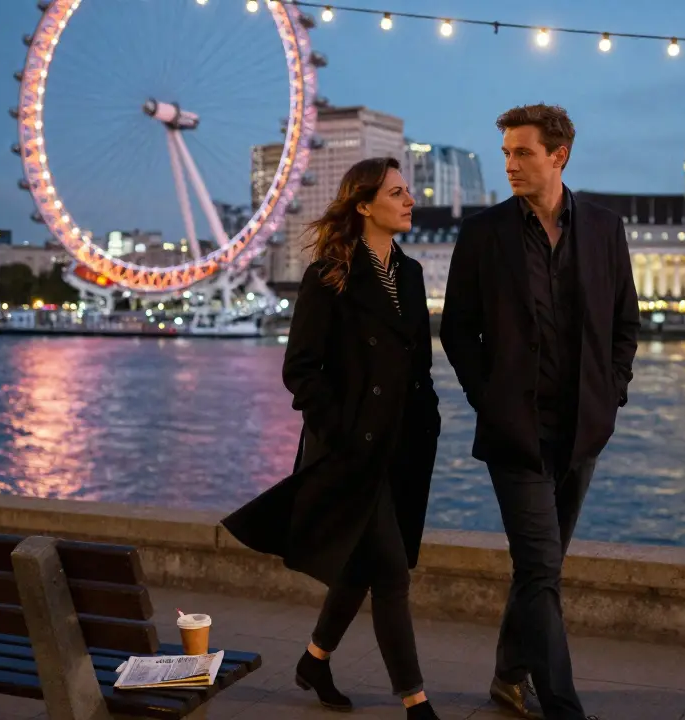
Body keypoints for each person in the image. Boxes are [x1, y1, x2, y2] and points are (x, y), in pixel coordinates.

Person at [223, 157, 443, 720]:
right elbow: (300, 368)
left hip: (400, 444)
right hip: (350, 448)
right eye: (397, 193)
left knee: (360, 565)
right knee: (390, 570)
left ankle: (314, 660)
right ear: (364, 205)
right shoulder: (329, 275)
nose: (410, 200)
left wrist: (428, 417)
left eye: (408, 191)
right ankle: (416, 702)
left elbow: (417, 364)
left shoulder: (412, 273)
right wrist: (339, 431)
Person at [440, 104, 640, 720]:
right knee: (542, 569)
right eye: (505, 153)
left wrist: (611, 394)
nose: (509, 165)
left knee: (538, 569)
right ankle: (562, 705)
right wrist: (489, 399)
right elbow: (456, 330)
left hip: (581, 430)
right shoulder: (483, 233)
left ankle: (507, 678)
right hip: (516, 433)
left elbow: (625, 323)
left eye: (522, 152)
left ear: (559, 156)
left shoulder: (605, 229)